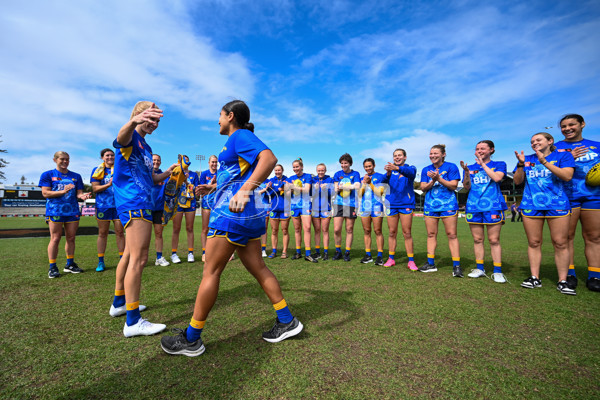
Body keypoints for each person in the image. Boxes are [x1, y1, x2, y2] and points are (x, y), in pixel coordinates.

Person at [160, 100, 303, 356]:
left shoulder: (241, 136)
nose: (218, 120)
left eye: (220, 115)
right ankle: (286, 320)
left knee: (210, 271)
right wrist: (213, 188)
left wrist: (246, 191)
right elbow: (236, 175)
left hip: (231, 216)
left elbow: (269, 159)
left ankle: (191, 339)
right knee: (258, 268)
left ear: (230, 116)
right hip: (245, 217)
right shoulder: (234, 142)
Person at [110, 101, 177, 337]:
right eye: (151, 118)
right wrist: (133, 122)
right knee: (139, 260)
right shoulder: (130, 137)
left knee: (129, 255)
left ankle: (120, 303)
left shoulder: (146, 147)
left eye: (158, 121)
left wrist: (170, 172)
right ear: (139, 115)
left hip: (142, 202)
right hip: (134, 203)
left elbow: (152, 178)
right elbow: (119, 139)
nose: (155, 124)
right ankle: (133, 321)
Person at [514, 132, 575, 295]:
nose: (534, 143)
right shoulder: (527, 159)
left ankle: (563, 280)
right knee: (534, 242)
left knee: (560, 242)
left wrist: (545, 162)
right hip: (531, 205)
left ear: (550, 141)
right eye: (532, 141)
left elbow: (567, 176)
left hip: (557, 204)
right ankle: (535, 277)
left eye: (538, 140)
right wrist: (520, 165)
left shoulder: (563, 156)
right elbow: (517, 181)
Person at [555, 114, 600, 292]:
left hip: (593, 196)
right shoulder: (556, 148)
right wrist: (568, 158)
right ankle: (569, 274)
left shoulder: (596, 146)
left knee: (594, 237)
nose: (567, 128)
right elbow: (549, 170)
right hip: (567, 196)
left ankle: (594, 275)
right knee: (567, 237)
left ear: (582, 124)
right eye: (564, 126)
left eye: (572, 124)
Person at [460, 140, 508, 283]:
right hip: (474, 206)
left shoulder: (499, 164)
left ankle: (497, 271)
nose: (479, 151)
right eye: (477, 149)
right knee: (477, 239)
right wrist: (467, 173)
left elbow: (497, 178)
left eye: (482, 148)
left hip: (493, 206)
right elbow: (467, 186)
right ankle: (480, 268)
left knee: (494, 240)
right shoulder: (470, 167)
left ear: (491, 150)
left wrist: (483, 165)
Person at [40, 151, 91, 278]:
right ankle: (52, 267)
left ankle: (70, 264)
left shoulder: (76, 176)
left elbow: (78, 194)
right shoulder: (47, 175)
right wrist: (63, 191)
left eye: (67, 159)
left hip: (72, 211)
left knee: (71, 238)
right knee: (55, 238)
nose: (65, 162)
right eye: (62, 159)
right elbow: (46, 193)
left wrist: (83, 196)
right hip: (55, 211)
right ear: (55, 160)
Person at [418, 144, 463, 277]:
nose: (432, 156)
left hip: (448, 205)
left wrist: (439, 178)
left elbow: (454, 186)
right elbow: (423, 188)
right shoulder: (426, 169)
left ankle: (457, 266)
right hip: (430, 206)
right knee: (431, 234)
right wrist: (432, 181)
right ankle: (430, 263)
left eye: (435, 153)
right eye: (431, 153)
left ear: (443, 154)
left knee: (452, 235)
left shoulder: (451, 167)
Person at [381, 149, 417, 270]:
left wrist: (397, 169)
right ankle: (391, 259)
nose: (397, 157)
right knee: (392, 233)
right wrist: (388, 174)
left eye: (399, 155)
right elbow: (382, 182)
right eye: (395, 156)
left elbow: (411, 173)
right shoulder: (390, 171)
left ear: (405, 157)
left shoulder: (410, 168)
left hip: (406, 204)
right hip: (391, 205)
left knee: (407, 233)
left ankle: (411, 261)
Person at [91, 148, 125, 272]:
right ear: (102, 157)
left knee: (120, 232)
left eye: (112, 155)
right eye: (107, 155)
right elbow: (95, 189)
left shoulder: (120, 169)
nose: (110, 157)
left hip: (118, 205)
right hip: (103, 206)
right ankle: (101, 262)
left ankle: (123, 260)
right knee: (102, 233)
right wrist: (108, 184)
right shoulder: (97, 170)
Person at [285, 158, 316, 262]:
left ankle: (308, 254)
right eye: (294, 167)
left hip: (305, 205)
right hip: (294, 206)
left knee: (307, 228)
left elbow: (307, 190)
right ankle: (298, 252)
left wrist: (293, 186)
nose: (295, 169)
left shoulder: (307, 176)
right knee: (297, 229)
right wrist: (289, 188)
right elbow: (287, 194)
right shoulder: (290, 178)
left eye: (297, 166)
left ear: (301, 167)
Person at [332, 153, 361, 261]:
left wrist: (344, 186)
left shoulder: (355, 173)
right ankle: (338, 251)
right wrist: (339, 188)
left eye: (346, 163)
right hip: (339, 203)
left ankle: (347, 252)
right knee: (336, 229)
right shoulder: (337, 174)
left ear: (350, 163)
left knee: (349, 229)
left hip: (351, 204)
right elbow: (336, 188)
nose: (344, 165)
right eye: (342, 163)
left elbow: (357, 186)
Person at [170, 165, 200, 263]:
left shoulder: (194, 174)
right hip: (178, 203)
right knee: (176, 228)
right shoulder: (176, 173)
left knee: (190, 228)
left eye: (186, 162)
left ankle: (190, 253)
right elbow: (171, 187)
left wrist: (187, 182)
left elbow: (196, 190)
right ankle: (174, 254)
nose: (185, 164)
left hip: (190, 202)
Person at [358, 158, 385, 265]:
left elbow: (380, 193)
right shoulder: (362, 178)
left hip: (377, 207)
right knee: (366, 231)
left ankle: (380, 256)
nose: (368, 168)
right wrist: (364, 183)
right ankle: (368, 255)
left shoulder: (380, 176)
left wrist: (370, 183)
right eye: (366, 166)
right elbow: (359, 194)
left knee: (378, 231)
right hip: (365, 207)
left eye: (369, 166)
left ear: (374, 165)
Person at [266, 164, 290, 259]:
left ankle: (284, 251)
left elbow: (289, 192)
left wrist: (284, 189)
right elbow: (269, 193)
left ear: (282, 170)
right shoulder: (271, 180)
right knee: (274, 231)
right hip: (274, 209)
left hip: (285, 209)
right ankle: (274, 251)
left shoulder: (287, 180)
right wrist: (276, 189)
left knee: (284, 231)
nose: (277, 172)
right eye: (276, 170)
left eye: (279, 170)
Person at [311, 163, 334, 260]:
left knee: (325, 231)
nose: (320, 172)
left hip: (326, 208)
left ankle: (325, 253)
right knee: (317, 231)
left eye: (322, 170)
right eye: (319, 170)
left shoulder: (330, 180)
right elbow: (309, 194)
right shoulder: (313, 180)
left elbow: (332, 193)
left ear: (325, 170)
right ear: (317, 171)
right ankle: (317, 252)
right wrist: (315, 189)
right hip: (315, 208)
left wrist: (325, 190)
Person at [198, 155, 218, 262]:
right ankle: (205, 252)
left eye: (216, 162)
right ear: (209, 163)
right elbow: (202, 189)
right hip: (206, 204)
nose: (214, 164)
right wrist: (211, 183)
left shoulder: (220, 174)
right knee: (205, 229)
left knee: (218, 228)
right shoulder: (204, 174)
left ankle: (218, 252)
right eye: (212, 162)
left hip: (218, 205)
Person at [151, 154, 169, 266]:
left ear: (160, 162)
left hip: (159, 208)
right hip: (146, 207)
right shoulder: (145, 173)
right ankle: (139, 257)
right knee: (144, 235)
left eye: (158, 160)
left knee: (158, 233)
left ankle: (159, 257)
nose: (156, 162)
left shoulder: (164, 175)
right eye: (154, 160)